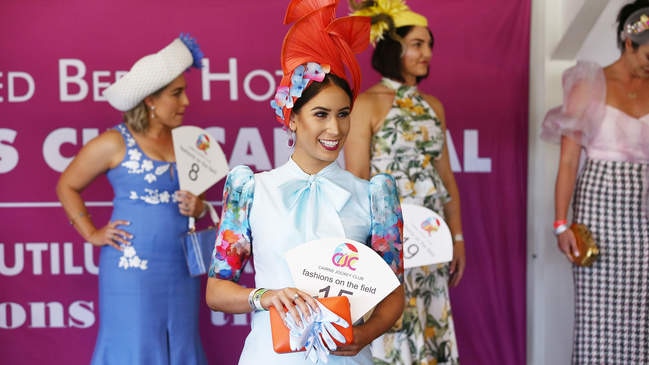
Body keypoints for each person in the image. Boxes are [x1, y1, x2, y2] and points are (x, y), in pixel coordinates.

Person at [204, 1, 405, 364]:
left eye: (343, 114)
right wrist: (263, 296)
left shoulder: (374, 195)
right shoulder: (251, 190)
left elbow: (393, 294)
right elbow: (216, 290)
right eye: (321, 115)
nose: (336, 129)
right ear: (292, 118)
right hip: (270, 356)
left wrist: (365, 334)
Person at [56, 34, 208, 364]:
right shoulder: (113, 142)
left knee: (182, 340)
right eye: (176, 94)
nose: (186, 102)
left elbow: (203, 205)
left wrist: (200, 207)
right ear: (150, 100)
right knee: (133, 342)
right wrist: (91, 233)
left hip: (182, 268)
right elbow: (67, 185)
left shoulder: (190, 142)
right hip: (131, 270)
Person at [344, 1, 466, 364]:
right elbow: (357, 182)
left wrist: (457, 238)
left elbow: (445, 180)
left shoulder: (434, 106)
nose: (426, 53)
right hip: (387, 244)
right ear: (392, 47)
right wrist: (362, 251)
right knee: (391, 329)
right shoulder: (366, 103)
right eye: (417, 44)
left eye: (429, 45)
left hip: (431, 241)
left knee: (430, 326)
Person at [541, 1, 649, 363]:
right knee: (598, 318)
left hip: (645, 205)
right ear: (629, 43)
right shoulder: (590, 81)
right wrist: (560, 224)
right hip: (600, 205)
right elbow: (569, 159)